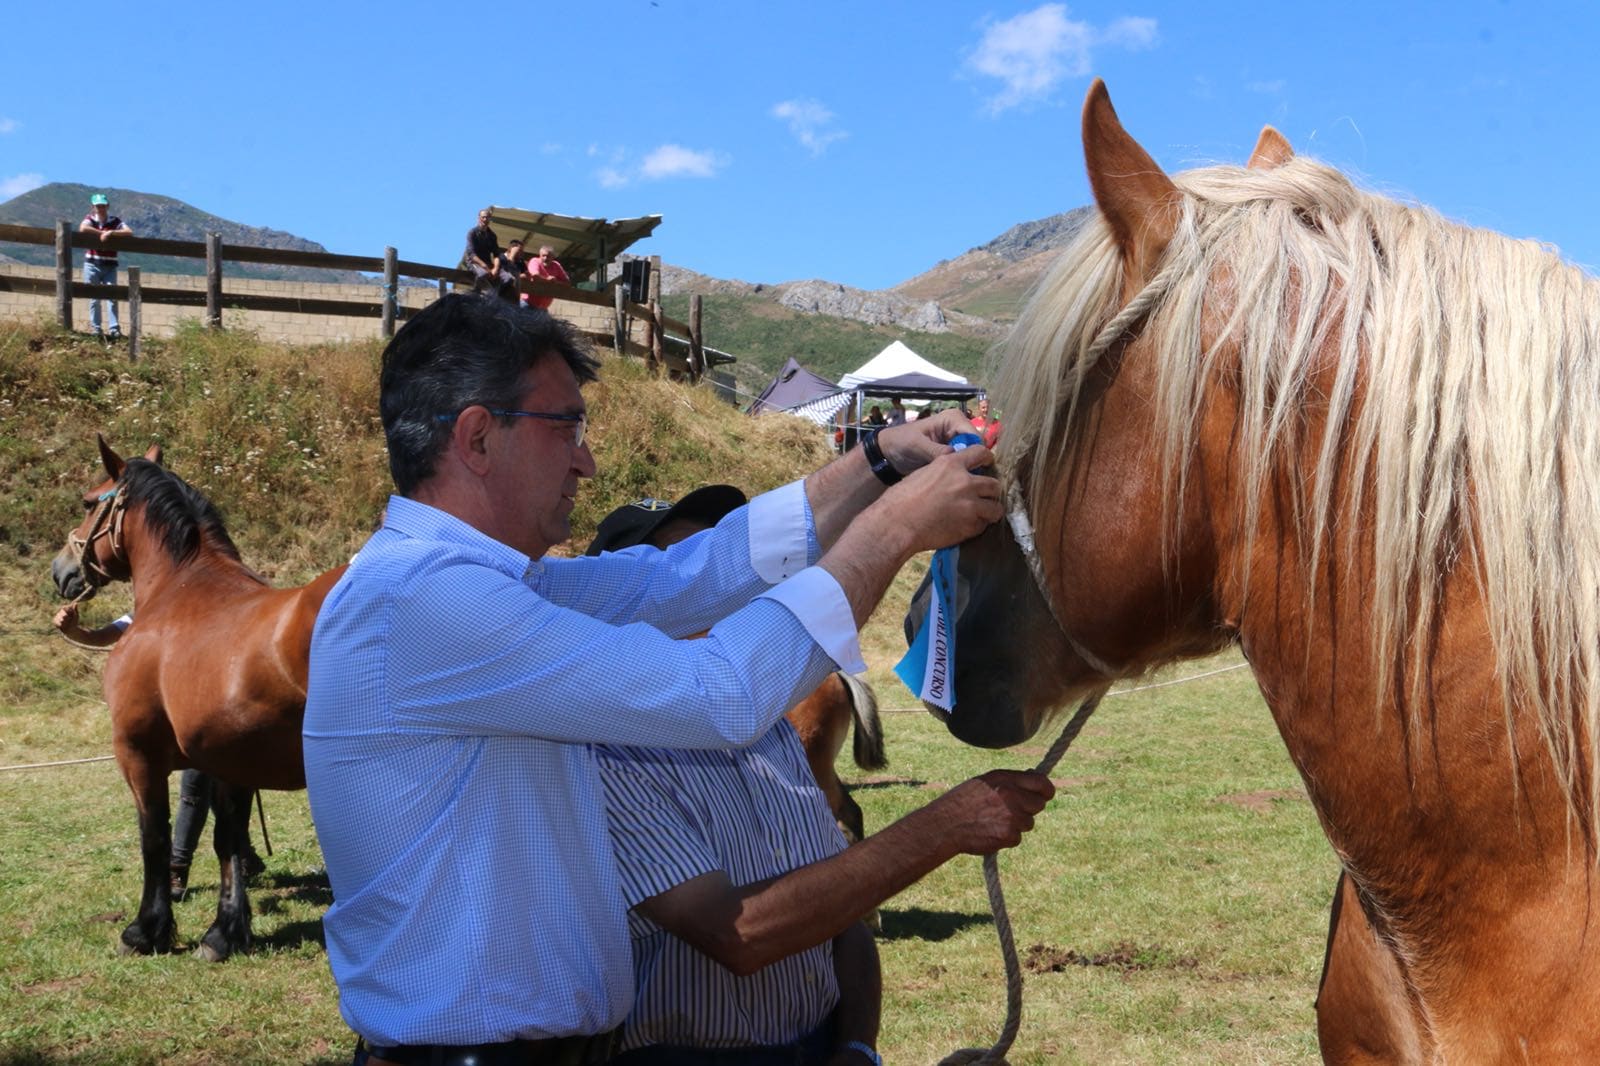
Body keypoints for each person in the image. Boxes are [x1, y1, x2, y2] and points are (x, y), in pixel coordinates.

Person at [302, 294, 1033, 1066]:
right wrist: (892, 529)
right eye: (567, 429)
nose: (585, 460)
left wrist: (879, 460)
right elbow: (719, 692)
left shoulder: (468, 586)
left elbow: (683, 576)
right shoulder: (428, 598)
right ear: (478, 436)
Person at [585, 491, 1054, 1065]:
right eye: (680, 575)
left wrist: (856, 1045)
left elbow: (843, 918)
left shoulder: (772, 730)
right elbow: (739, 934)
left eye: (716, 578)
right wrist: (946, 827)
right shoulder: (608, 753)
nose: (715, 602)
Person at [52, 603, 263, 898]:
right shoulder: (156, 609)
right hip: (188, 717)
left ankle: (228, 858)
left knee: (224, 792)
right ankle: (183, 867)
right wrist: (74, 630)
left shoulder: (219, 608)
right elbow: (107, 634)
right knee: (198, 790)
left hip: (218, 710)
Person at [79, 193, 133, 341]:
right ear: (93, 207)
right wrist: (101, 233)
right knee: (94, 298)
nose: (101, 208)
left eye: (103, 205)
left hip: (109, 265)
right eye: (98, 206)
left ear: (107, 206)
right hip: (92, 264)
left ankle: (114, 329)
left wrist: (111, 233)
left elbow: (129, 232)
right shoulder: (90, 219)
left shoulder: (114, 221)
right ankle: (96, 329)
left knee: (112, 297)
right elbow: (82, 228)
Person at [464, 208, 517, 301]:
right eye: (483, 217)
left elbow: (496, 254)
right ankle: (475, 293)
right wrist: (485, 266)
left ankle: (495, 296)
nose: (485, 219)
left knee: (509, 279)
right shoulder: (472, 233)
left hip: (488, 263)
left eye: (487, 217)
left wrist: (495, 269)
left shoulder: (492, 235)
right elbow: (471, 254)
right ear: (479, 218)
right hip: (474, 262)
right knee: (482, 274)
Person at [527, 245, 571, 310]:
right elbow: (535, 277)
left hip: (543, 308)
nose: (545, 258)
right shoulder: (535, 261)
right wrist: (548, 280)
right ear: (539, 255)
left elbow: (567, 283)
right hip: (527, 303)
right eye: (543, 256)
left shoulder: (556, 265)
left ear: (553, 257)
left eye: (548, 256)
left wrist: (556, 282)